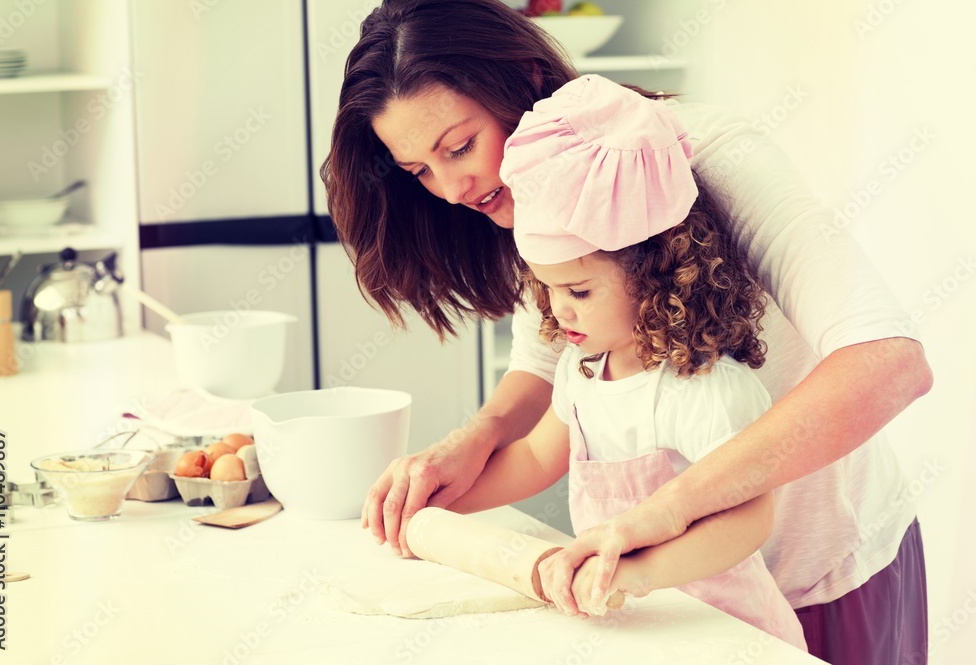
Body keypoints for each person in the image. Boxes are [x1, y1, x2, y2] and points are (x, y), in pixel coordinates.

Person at [321, 1, 933, 662]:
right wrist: (469, 444)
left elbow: (889, 362)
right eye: (419, 171)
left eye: (459, 146)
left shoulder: (708, 155)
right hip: (682, 604)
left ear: (524, 79)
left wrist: (664, 515)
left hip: (830, 574)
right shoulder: (539, 200)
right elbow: (544, 364)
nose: (450, 188)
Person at [447, 74, 807, 650]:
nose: (561, 309)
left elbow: (749, 518)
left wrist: (636, 572)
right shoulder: (582, 369)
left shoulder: (703, 389)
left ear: (654, 275)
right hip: (633, 624)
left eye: (580, 292)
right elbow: (541, 456)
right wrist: (441, 503)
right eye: (548, 290)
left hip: (720, 631)